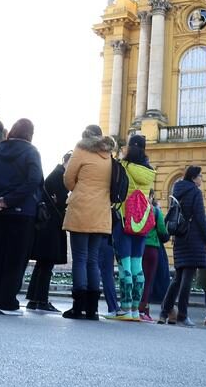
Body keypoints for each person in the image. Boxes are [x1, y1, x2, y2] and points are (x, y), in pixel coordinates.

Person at [0, 117, 44, 315]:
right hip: (21, 213)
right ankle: (7, 302)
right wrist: (10, 201)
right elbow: (34, 180)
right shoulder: (31, 152)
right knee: (15, 258)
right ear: (30, 135)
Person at [61, 125, 114, 321]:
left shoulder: (81, 149)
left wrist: (79, 189)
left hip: (82, 210)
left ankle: (78, 307)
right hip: (101, 212)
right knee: (93, 260)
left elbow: (68, 178)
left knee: (80, 258)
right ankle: (92, 310)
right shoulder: (108, 154)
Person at [158, 166, 206, 326]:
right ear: (194, 178)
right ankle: (182, 314)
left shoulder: (176, 190)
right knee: (187, 278)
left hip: (179, 237)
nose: (201, 179)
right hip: (192, 238)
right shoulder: (195, 193)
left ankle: (163, 313)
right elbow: (200, 218)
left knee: (178, 278)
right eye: (200, 176)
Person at [113, 133, 155, 321]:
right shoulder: (150, 171)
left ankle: (125, 308)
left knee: (125, 265)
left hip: (124, 219)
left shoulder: (123, 166)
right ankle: (137, 310)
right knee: (138, 265)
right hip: (142, 221)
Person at [26, 155, 70, 312]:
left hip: (46, 225)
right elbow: (61, 200)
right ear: (66, 161)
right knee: (46, 264)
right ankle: (42, 300)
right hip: (51, 225)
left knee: (42, 264)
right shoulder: (59, 176)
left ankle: (33, 299)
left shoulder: (56, 174)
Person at [139, 191, 168, 322]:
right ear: (151, 197)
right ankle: (143, 310)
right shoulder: (155, 210)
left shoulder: (135, 207)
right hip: (151, 248)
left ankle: (131, 308)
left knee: (136, 278)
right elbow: (162, 231)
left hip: (137, 247)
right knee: (148, 280)